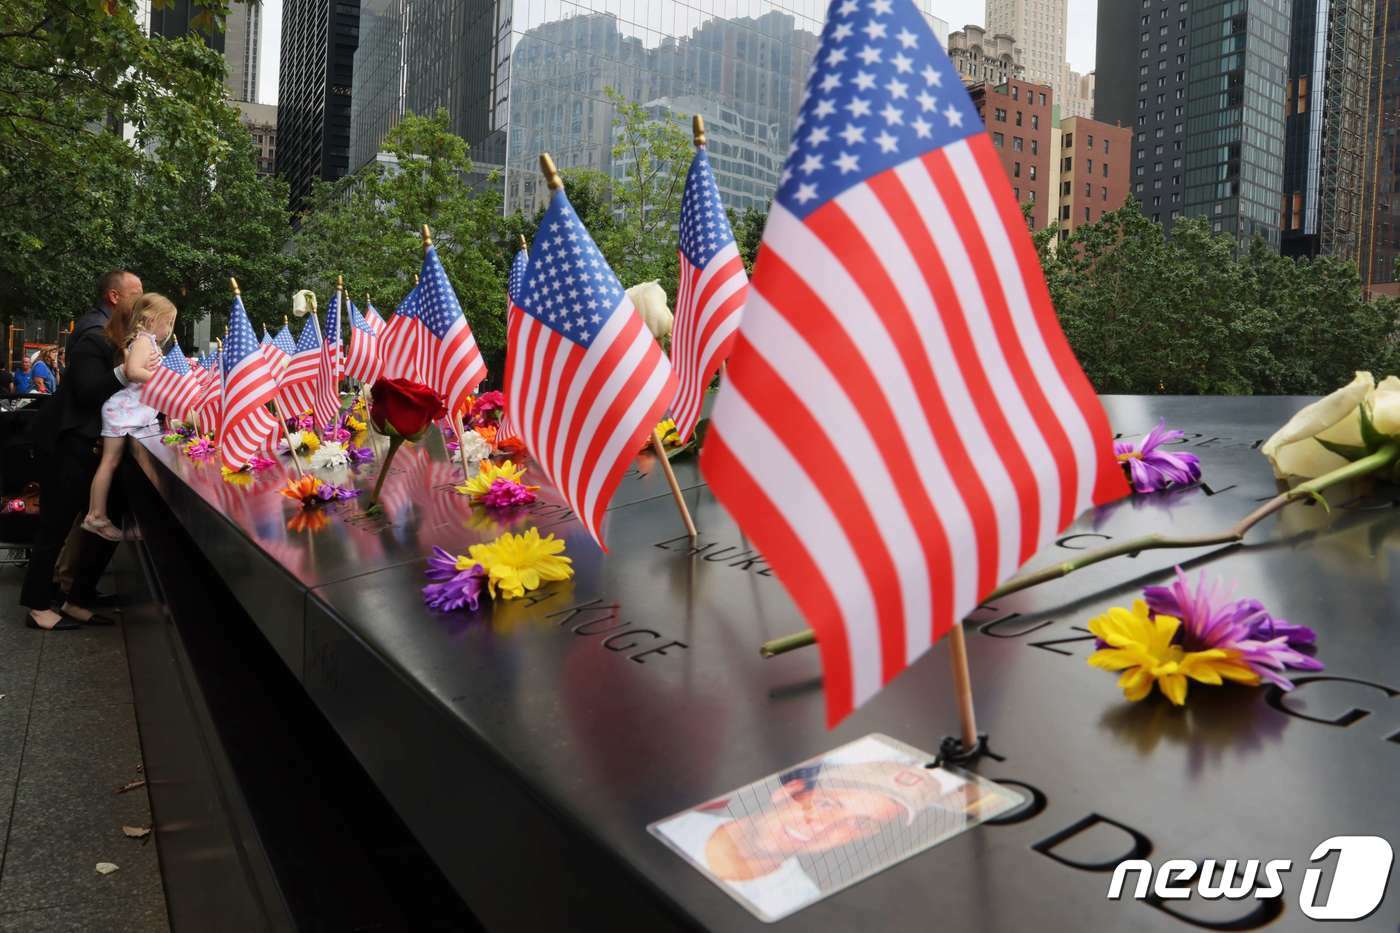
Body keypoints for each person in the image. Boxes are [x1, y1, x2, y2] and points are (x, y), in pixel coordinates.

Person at [20, 271, 155, 631]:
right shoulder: (92, 334)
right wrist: (130, 372)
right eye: (136, 292)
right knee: (56, 524)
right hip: (68, 442)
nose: (142, 298)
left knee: (107, 517)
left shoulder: (117, 333)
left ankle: (77, 597)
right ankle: (37, 607)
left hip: (91, 443)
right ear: (114, 296)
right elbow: (87, 392)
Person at [82, 294, 174, 541]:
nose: (168, 329)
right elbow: (133, 371)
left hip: (128, 411)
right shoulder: (144, 341)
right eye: (168, 322)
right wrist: (162, 380)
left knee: (109, 462)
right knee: (109, 462)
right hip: (123, 411)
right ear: (153, 319)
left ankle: (96, 514)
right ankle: (95, 515)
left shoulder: (145, 341)